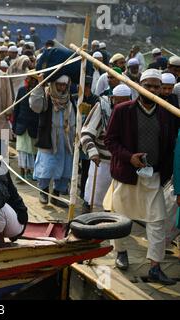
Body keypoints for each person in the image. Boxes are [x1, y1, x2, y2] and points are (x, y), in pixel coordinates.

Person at [104, 69, 177, 285]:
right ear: (139, 86)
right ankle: (121, 252)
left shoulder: (167, 113)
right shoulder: (123, 110)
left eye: (156, 86)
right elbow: (110, 140)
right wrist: (129, 157)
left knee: (157, 220)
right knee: (121, 217)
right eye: (149, 85)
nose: (153, 90)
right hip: (127, 174)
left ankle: (155, 266)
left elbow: (171, 145)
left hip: (153, 176)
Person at [81, 84, 132, 213]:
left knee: (117, 203)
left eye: (125, 101)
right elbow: (86, 133)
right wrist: (93, 153)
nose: (121, 106)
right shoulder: (102, 108)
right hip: (102, 164)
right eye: (118, 102)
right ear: (112, 99)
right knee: (95, 199)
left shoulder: (132, 111)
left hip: (123, 163)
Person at [30, 75, 76, 208]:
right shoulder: (46, 95)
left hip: (66, 139)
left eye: (64, 85)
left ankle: (56, 195)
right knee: (47, 167)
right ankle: (43, 192)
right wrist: (39, 85)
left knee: (65, 168)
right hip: (49, 139)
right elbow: (35, 106)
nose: (62, 88)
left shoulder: (69, 98)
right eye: (59, 85)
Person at [13, 75, 39, 182]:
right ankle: (21, 172)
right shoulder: (21, 91)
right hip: (21, 125)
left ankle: (29, 172)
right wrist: (14, 126)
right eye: (30, 79)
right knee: (21, 150)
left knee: (31, 150)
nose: (31, 81)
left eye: (33, 79)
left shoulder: (39, 92)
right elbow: (16, 108)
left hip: (33, 126)